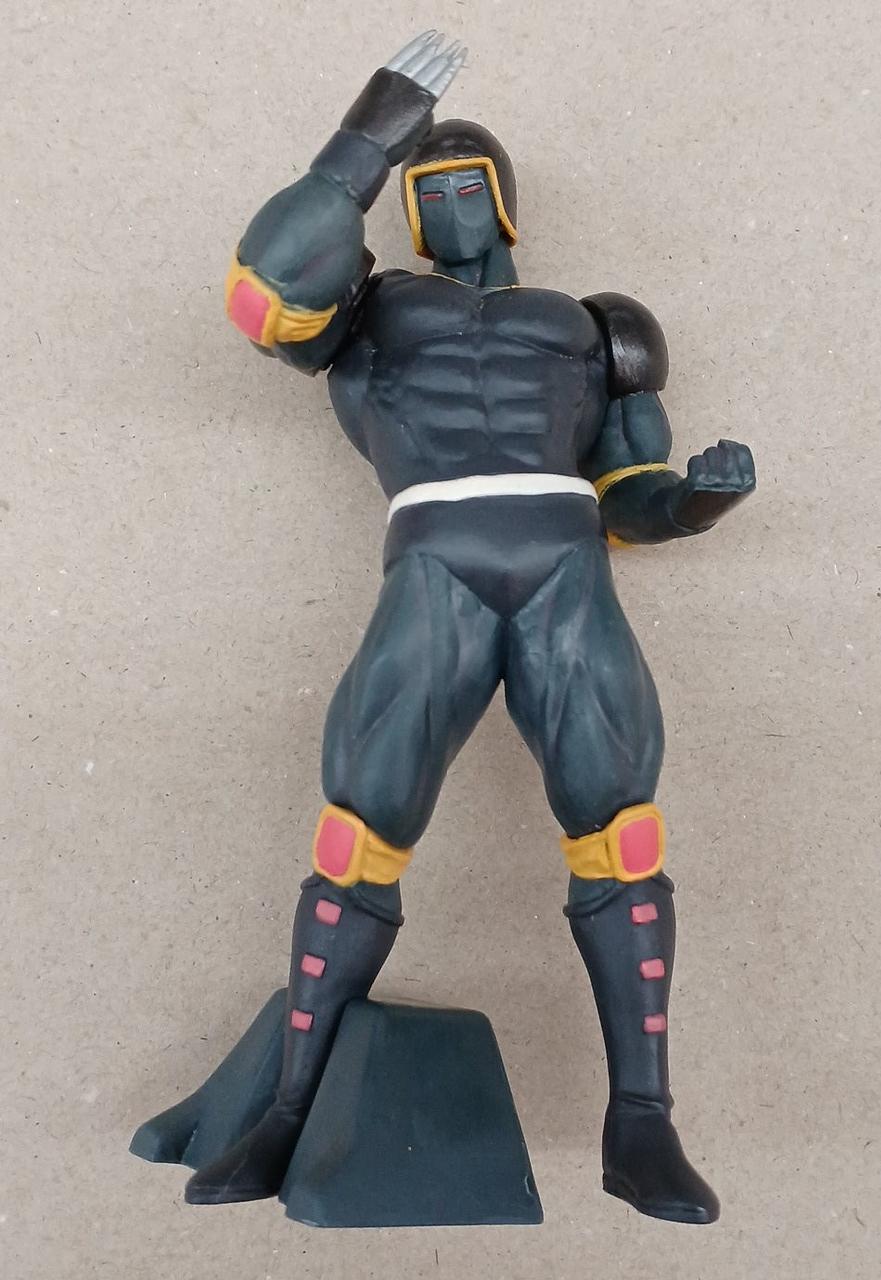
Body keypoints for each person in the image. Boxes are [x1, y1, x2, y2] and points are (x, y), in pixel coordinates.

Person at [185, 31, 755, 1223]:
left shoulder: (595, 324)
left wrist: (694, 502)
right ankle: (287, 1107)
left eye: (461, 186)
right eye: (423, 189)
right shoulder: (365, 309)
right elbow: (260, 295)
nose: (442, 205)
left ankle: (643, 1116)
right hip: (435, 563)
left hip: (563, 565)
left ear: (502, 199)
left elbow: (628, 496)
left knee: (622, 824)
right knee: (358, 825)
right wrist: (363, 143)